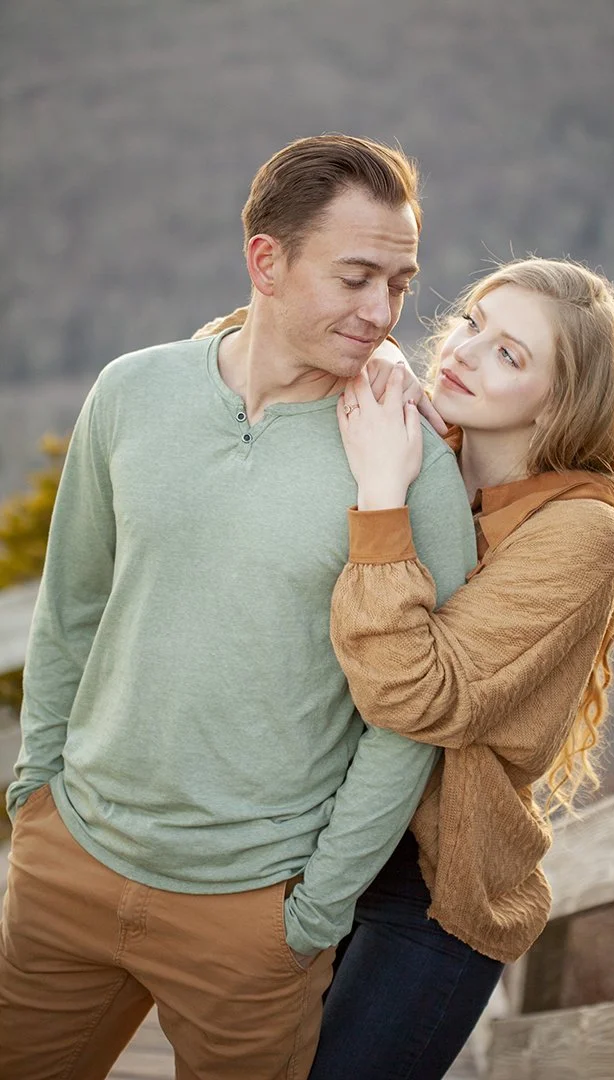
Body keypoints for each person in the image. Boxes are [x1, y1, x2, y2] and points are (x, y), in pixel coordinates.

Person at [0, 135, 478, 1080]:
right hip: (71, 867)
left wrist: (316, 909)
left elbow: (412, 715)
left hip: (254, 915)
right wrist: (35, 792)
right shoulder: (134, 392)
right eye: (355, 278)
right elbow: (73, 606)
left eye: (400, 282)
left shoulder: (408, 465)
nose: (383, 313)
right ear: (266, 260)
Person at [308, 257, 614, 1079]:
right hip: (312, 840)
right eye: (474, 323)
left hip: (431, 894)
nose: (463, 351)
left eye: (510, 355)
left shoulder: (582, 529)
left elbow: (418, 693)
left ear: (562, 398)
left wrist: (383, 498)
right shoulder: (413, 445)